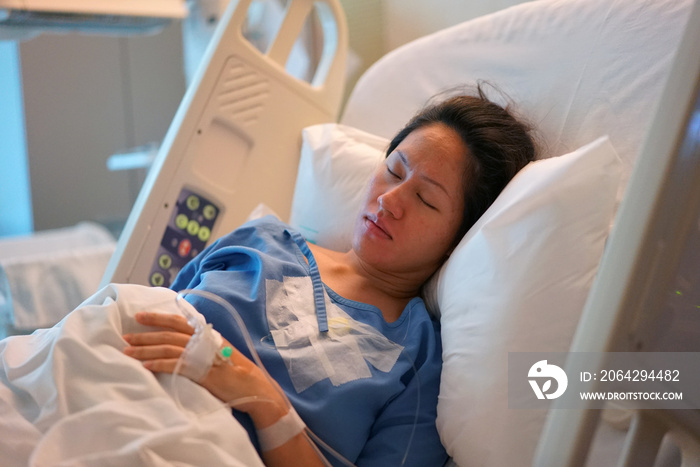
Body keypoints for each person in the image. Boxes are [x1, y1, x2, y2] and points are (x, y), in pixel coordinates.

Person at [122, 86, 537, 467]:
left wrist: (262, 397)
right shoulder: (261, 240)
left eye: (425, 199)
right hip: (123, 393)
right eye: (394, 171)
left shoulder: (418, 361)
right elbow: (147, 317)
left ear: (458, 238)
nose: (390, 200)